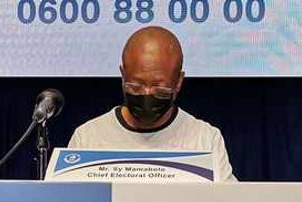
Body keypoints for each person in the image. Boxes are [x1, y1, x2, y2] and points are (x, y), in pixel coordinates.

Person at [68, 26, 237, 182]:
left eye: (159, 88)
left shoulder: (205, 139)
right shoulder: (88, 138)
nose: (147, 94)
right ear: (123, 76)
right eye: (136, 86)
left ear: (178, 81)